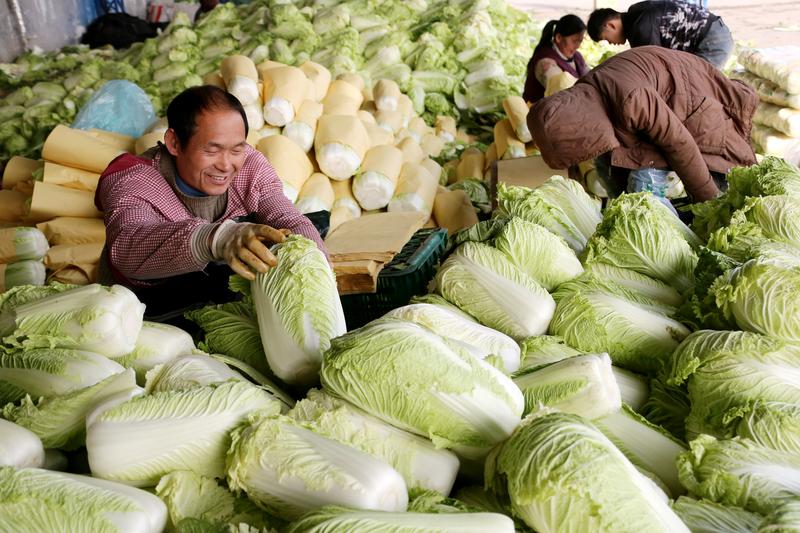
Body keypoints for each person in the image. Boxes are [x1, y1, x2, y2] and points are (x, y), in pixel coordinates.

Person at [95, 85, 326, 320]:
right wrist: (216, 238)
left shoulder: (250, 168)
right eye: (212, 150)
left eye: (236, 149)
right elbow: (127, 248)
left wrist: (318, 272)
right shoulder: (134, 178)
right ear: (174, 143)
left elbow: (287, 218)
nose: (226, 165)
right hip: (141, 316)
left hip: (219, 306)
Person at [528, 46, 758, 206]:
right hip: (666, 103)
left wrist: (707, 199)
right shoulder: (588, 96)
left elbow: (680, 142)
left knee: (645, 188)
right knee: (612, 171)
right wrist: (621, 201)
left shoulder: (631, 99)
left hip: (697, 108)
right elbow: (608, 153)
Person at [587, 1, 733, 69]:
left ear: (611, 25)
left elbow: (655, 68)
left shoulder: (641, 28)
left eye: (606, 39)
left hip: (712, 41)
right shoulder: (636, 13)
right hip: (713, 32)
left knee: (698, 88)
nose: (611, 43)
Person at [523, 14, 590, 105]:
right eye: (574, 41)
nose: (578, 46)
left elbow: (590, 78)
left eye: (580, 41)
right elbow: (563, 93)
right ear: (558, 38)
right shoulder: (545, 61)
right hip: (539, 114)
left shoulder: (577, 56)